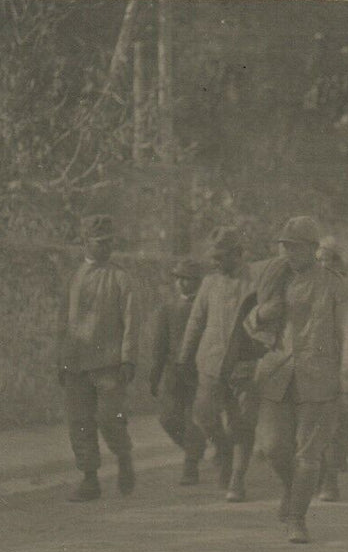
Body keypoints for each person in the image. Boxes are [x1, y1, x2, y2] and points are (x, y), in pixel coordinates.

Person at [248, 216, 348, 544]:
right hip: (277, 374)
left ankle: (297, 517)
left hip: (319, 378)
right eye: (284, 247)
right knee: (271, 446)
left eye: (294, 248)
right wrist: (260, 315)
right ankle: (293, 491)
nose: (288, 254)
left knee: (308, 455)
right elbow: (250, 321)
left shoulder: (334, 284)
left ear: (313, 248)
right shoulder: (275, 278)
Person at [176, 226, 259, 502]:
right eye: (214, 257)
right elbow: (196, 322)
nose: (215, 262)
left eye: (221, 257)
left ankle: (237, 477)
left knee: (242, 423)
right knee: (203, 415)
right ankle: (223, 449)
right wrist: (184, 357)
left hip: (244, 366)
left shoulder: (255, 282)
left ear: (238, 254)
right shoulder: (210, 283)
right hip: (210, 364)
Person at [56, 215, 136, 501]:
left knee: (109, 418)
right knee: (79, 421)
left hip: (109, 364)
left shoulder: (120, 277)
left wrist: (128, 359)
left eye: (109, 243)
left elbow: (130, 320)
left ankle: (124, 457)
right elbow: (63, 322)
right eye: (99, 242)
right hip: (76, 362)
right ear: (85, 243)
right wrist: (60, 360)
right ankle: (90, 479)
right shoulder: (73, 278)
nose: (105, 248)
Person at [147, 259, 208, 485]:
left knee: (194, 420)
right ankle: (196, 449)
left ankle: (190, 465)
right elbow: (159, 346)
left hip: (199, 372)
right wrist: (155, 375)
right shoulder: (167, 309)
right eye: (180, 279)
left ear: (198, 282)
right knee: (168, 418)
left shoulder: (205, 307)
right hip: (174, 374)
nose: (183, 284)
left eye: (189, 279)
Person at [313, 236, 348, 503]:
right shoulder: (304, 285)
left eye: (328, 259)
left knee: (330, 427)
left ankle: (329, 480)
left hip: (335, 366)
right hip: (308, 365)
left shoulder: (343, 290)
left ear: (336, 262)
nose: (322, 264)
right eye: (318, 258)